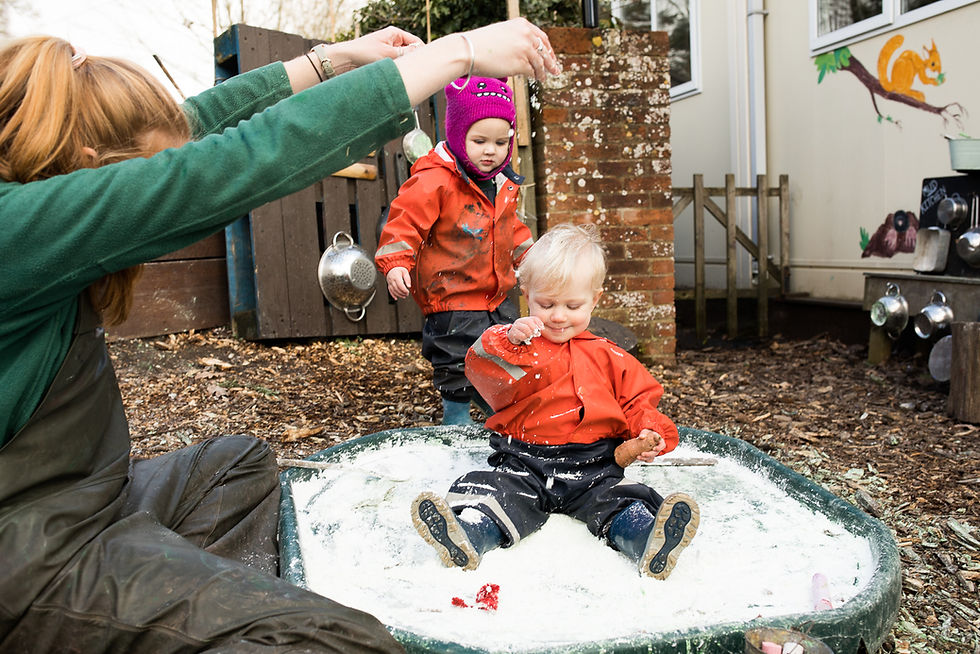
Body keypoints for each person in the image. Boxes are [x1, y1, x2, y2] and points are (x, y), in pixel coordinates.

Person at [0, 19, 560, 653]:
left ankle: (181, 617)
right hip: (32, 553)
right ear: (90, 170)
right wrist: (458, 53)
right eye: (143, 182)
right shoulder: (13, 233)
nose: (154, 200)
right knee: (335, 641)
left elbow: (195, 126)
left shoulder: (31, 192)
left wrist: (329, 62)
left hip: (85, 499)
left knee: (233, 467)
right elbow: (231, 160)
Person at [410, 223, 700, 580]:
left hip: (594, 467)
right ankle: (468, 535)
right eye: (546, 304)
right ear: (526, 294)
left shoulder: (612, 358)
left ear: (595, 299)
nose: (559, 315)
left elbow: (639, 403)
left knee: (621, 500)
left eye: (573, 305)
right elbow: (480, 370)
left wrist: (650, 432)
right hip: (524, 462)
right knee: (493, 492)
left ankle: (647, 540)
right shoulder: (519, 348)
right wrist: (507, 340)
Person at [375, 75, 533, 426]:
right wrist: (397, 262)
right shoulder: (436, 179)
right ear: (459, 134)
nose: (491, 151)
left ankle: (502, 416)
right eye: (479, 141)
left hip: (496, 295)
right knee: (456, 360)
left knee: (504, 353)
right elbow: (404, 221)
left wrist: (534, 261)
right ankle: (457, 419)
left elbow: (511, 230)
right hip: (452, 297)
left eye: (500, 142)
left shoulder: (502, 183)